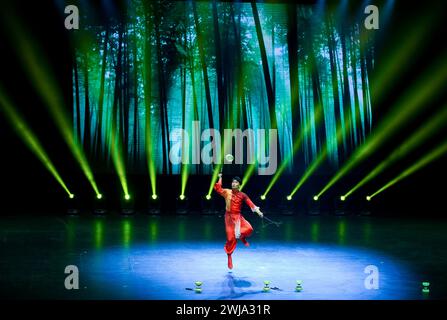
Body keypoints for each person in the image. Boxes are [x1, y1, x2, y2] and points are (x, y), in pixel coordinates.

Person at [214, 173, 263, 269]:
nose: (233, 183)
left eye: (236, 182)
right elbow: (218, 189)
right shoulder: (227, 192)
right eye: (233, 182)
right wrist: (220, 178)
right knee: (230, 239)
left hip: (238, 217)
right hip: (228, 218)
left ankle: (241, 236)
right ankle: (229, 256)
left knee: (249, 229)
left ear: (239, 184)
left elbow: (251, 204)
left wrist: (259, 212)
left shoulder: (243, 195)